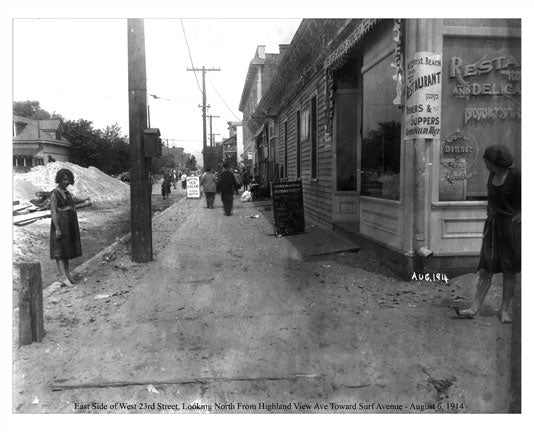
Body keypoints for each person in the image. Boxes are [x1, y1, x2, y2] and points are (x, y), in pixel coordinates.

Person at [456, 144, 521, 323]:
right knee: (486, 268)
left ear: (497, 162)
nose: (484, 162)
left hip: (511, 229)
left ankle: (505, 310)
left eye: (487, 160)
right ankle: (474, 308)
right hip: (493, 227)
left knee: (509, 270)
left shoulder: (516, 175)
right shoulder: (492, 174)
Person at [50, 168, 90, 286]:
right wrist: (57, 228)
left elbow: (75, 200)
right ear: (59, 179)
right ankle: (63, 277)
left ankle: (67, 275)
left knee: (66, 251)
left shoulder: (67, 192)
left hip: (68, 224)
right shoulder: (54, 193)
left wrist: (85, 198)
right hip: (60, 225)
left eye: (68, 179)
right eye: (64, 179)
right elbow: (53, 212)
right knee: (59, 252)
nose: (66, 182)